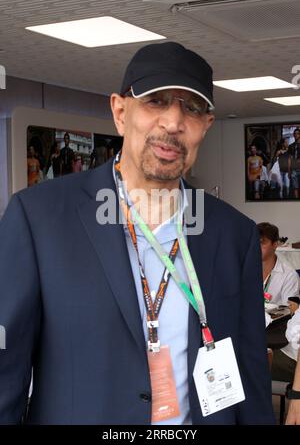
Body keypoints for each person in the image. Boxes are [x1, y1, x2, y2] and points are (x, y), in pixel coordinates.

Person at [0, 41, 274, 424]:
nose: (173, 123)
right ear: (120, 111)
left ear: (206, 126)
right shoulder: (39, 219)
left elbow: (250, 380)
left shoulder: (233, 236)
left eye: (192, 109)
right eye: (156, 101)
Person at [258, 222, 300, 306]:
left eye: (262, 242)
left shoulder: (289, 276)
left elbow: (290, 312)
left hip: (274, 318)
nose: (256, 246)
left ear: (275, 245)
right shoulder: (244, 269)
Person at [288, 128, 300, 199]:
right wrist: (289, 171)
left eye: (297, 133)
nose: (296, 135)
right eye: (295, 134)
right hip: (294, 169)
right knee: (295, 187)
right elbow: (290, 159)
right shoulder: (291, 146)